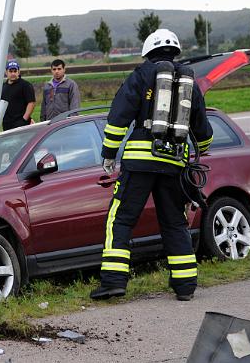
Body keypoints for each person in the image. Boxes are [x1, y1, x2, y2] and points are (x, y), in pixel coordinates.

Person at [90, 29, 213, 302]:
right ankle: (185, 286)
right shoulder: (189, 82)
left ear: (148, 51)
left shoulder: (141, 75)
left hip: (139, 163)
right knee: (174, 223)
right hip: (174, 164)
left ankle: (113, 282)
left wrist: (109, 154)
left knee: (120, 219)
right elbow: (203, 130)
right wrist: (199, 153)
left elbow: (118, 117)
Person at [0, 60, 36, 130]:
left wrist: (24, 119)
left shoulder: (25, 85)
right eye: (10, 71)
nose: (13, 73)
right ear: (6, 72)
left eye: (15, 71)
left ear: (18, 72)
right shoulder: (3, 87)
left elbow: (31, 103)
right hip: (7, 123)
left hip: (21, 123)